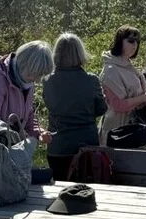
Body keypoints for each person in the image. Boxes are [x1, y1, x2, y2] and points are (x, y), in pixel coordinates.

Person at [42, 33, 107, 180]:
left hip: (57, 146)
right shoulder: (91, 80)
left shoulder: (47, 80)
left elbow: (49, 105)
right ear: (80, 53)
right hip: (86, 145)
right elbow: (102, 109)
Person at [99, 26, 146, 145]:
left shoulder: (129, 66)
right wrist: (145, 98)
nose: (134, 45)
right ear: (120, 41)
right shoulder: (111, 70)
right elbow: (118, 105)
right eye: (130, 41)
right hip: (117, 130)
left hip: (133, 124)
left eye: (137, 41)